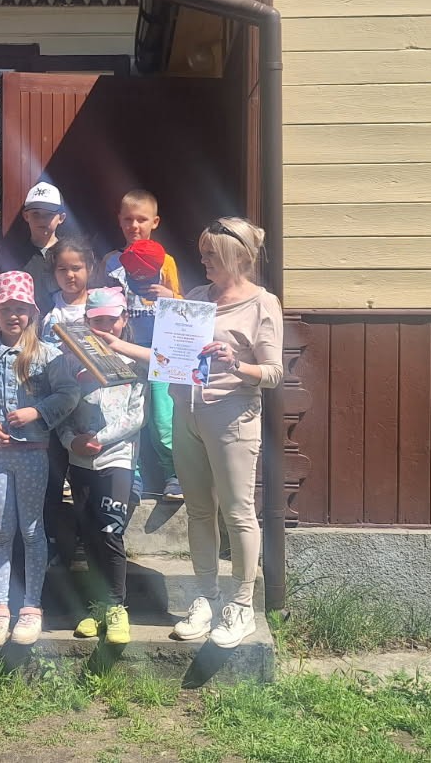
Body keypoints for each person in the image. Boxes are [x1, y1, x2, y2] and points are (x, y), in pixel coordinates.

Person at [92, 218, 283, 651]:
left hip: (232, 416)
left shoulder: (262, 303)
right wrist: (116, 344)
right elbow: (165, 359)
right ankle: (206, 597)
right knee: (198, 511)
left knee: (237, 513)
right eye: (203, 252)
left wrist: (235, 363)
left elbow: (273, 373)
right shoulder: (194, 299)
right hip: (186, 414)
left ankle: (240, 605)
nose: (203, 260)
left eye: (211, 254)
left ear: (236, 256)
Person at [0, 271, 78, 647]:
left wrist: (36, 412)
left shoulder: (48, 356)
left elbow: (68, 394)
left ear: (32, 313)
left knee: (31, 529)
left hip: (32, 455)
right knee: (0, 529)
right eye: (6, 308)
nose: (13, 315)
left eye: (20, 308)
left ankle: (31, 605)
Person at [58, 287, 145, 645]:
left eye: (112, 319)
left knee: (110, 530)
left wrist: (101, 438)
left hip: (116, 458)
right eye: (97, 321)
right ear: (85, 322)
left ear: (124, 319)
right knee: (89, 532)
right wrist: (70, 441)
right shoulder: (71, 364)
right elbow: (62, 410)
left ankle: (116, 607)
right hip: (79, 460)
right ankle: (94, 606)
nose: (105, 326)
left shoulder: (134, 364)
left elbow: (136, 415)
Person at [102, 190, 185, 502]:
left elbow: (183, 310)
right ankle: (130, 476)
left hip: (161, 351)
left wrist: (171, 297)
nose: (134, 226)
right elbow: (100, 304)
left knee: (164, 417)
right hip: (123, 349)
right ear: (119, 221)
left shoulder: (167, 262)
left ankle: (175, 474)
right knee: (127, 415)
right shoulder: (111, 262)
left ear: (155, 222)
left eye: (141, 219)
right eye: (128, 219)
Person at [37, 236, 98, 571]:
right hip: (55, 408)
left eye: (77, 268)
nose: (70, 275)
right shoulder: (48, 310)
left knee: (84, 481)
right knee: (52, 478)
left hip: (91, 408)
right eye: (63, 269)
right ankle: (55, 543)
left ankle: (86, 545)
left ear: (89, 268)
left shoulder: (99, 304)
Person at [0, 181, 67, 313]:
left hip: (63, 323)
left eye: (48, 214)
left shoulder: (70, 255)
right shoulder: (14, 256)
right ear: (26, 216)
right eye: (36, 214)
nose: (41, 220)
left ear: (61, 218)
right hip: (27, 323)